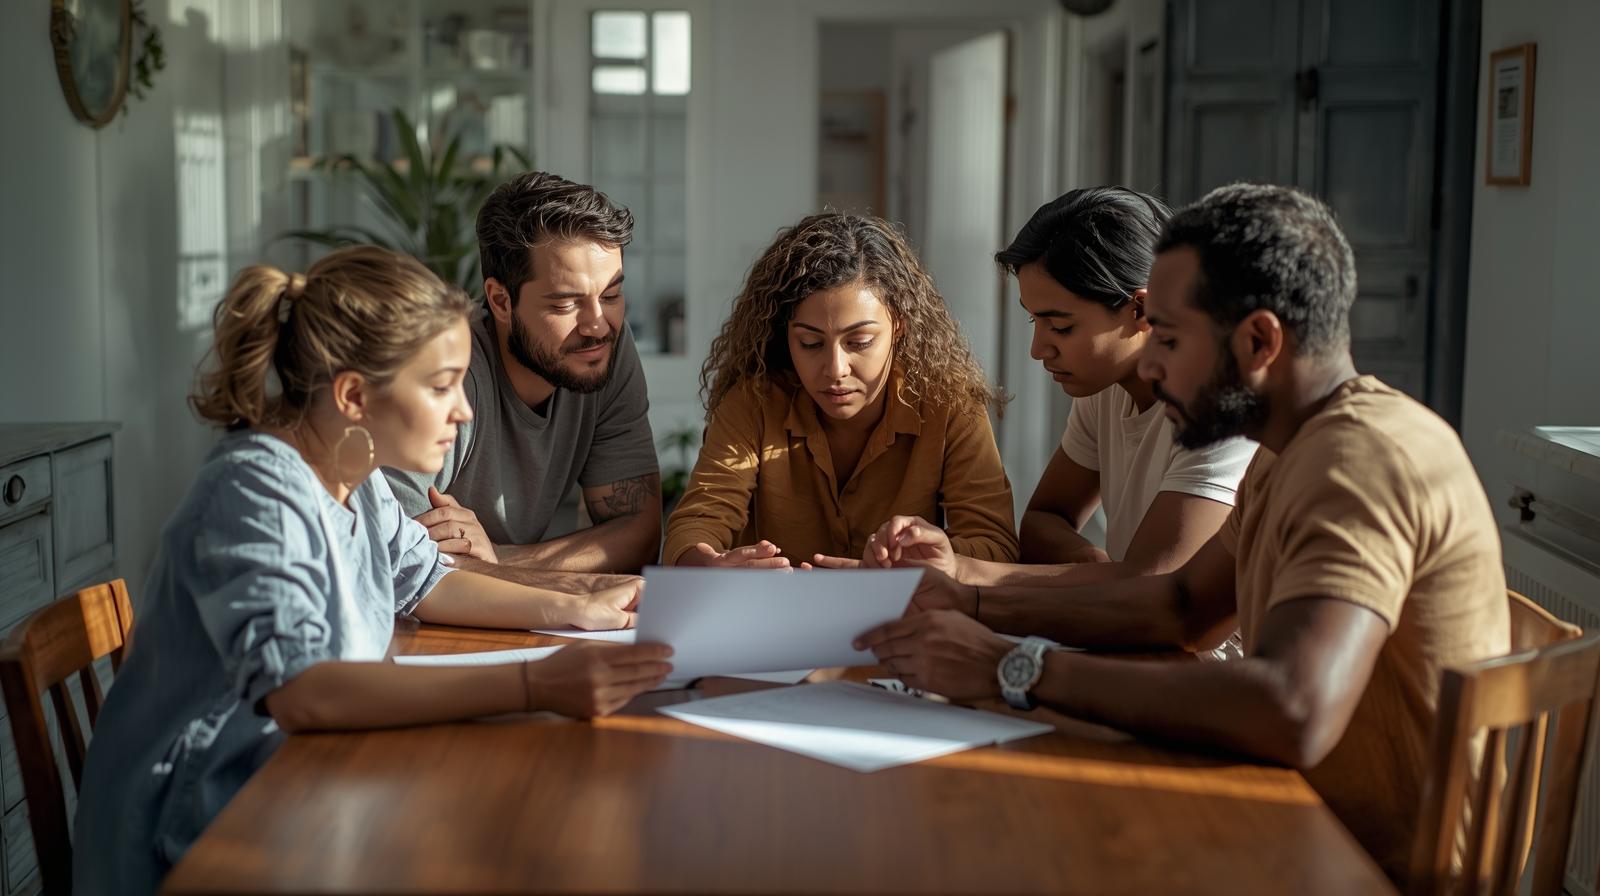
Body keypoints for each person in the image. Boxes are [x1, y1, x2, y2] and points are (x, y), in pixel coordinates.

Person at [856, 184, 1509, 886]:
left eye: (1168, 338)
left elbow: (1293, 709)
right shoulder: (1289, 447)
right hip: (1301, 814)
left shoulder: (1360, 460)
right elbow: (1177, 607)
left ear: (1259, 341)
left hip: (1366, 860)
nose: (1153, 364)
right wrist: (966, 602)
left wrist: (1011, 668)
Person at [73, 247, 673, 895]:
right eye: (442, 386)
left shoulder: (351, 473)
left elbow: (430, 582)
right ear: (355, 395)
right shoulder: (254, 493)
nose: (464, 411)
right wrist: (534, 683)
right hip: (202, 834)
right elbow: (303, 691)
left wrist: (582, 604)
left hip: (292, 782)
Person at [862, 187, 1255, 590]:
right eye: (1036, 322)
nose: (1038, 350)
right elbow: (1043, 522)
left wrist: (962, 571)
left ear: (1141, 310)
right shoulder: (1105, 388)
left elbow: (1153, 589)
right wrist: (1091, 568)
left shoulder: (1223, 407)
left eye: (1062, 327)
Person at [662, 213, 1018, 569]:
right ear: (785, 336)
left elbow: (996, 544)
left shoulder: (950, 407)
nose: (835, 369)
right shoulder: (753, 404)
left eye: (859, 342)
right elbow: (696, 526)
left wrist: (945, 561)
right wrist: (709, 566)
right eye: (811, 343)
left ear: (899, 327)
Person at [386, 172, 661, 576]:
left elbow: (639, 534)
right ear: (500, 301)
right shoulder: (448, 377)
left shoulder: (604, 349)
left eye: (612, 295)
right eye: (566, 304)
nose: (598, 324)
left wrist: (502, 558)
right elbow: (399, 563)